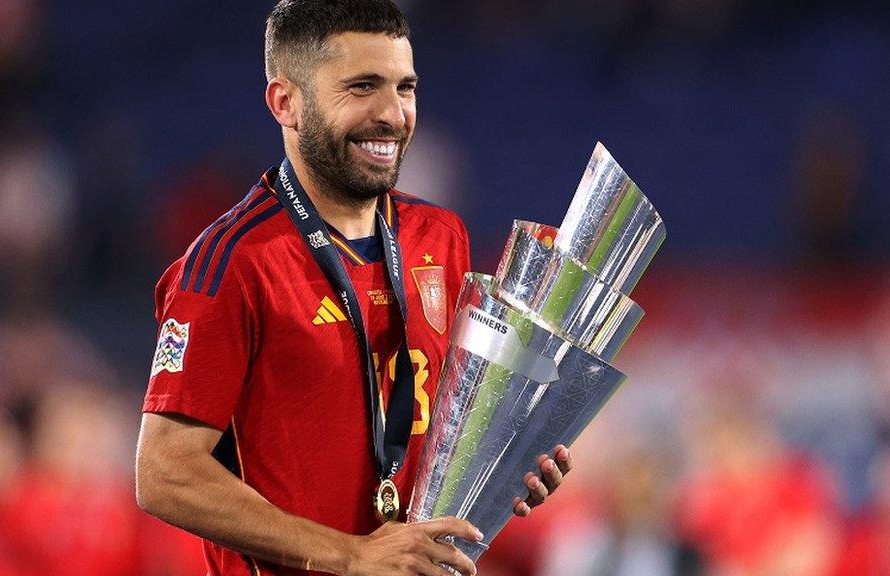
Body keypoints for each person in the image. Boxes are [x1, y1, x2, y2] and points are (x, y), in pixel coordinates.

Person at [135, 2, 570, 575]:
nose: (392, 113)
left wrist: (503, 464)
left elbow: (439, 419)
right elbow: (164, 473)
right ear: (284, 102)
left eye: (405, 87)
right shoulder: (230, 266)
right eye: (362, 87)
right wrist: (352, 555)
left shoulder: (440, 236)